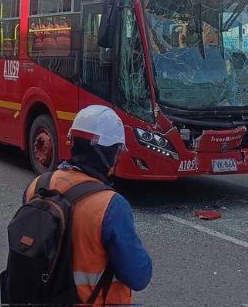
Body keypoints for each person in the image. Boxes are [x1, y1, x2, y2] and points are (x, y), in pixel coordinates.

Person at [18, 105, 152, 305]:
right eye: (117, 152)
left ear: (73, 142)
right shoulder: (110, 205)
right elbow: (139, 276)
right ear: (110, 153)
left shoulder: (37, 185)